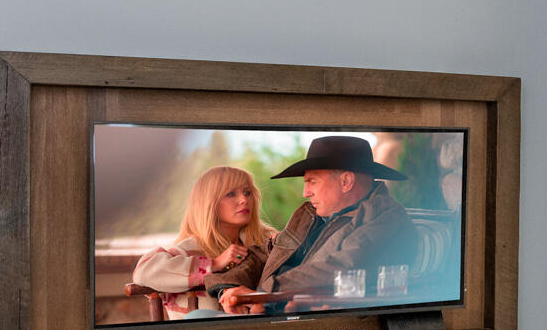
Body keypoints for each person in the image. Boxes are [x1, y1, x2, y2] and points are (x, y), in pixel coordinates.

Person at [218, 135, 419, 314]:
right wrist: (228, 288)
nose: (305, 193)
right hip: (265, 310)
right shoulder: (309, 215)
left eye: (312, 182)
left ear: (346, 181)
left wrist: (261, 295)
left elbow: (342, 267)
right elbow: (265, 253)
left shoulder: (385, 218)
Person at [126, 164, 274, 318]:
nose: (244, 199)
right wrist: (213, 264)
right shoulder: (188, 250)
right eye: (231, 194)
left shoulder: (265, 243)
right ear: (209, 203)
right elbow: (143, 272)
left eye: (247, 192)